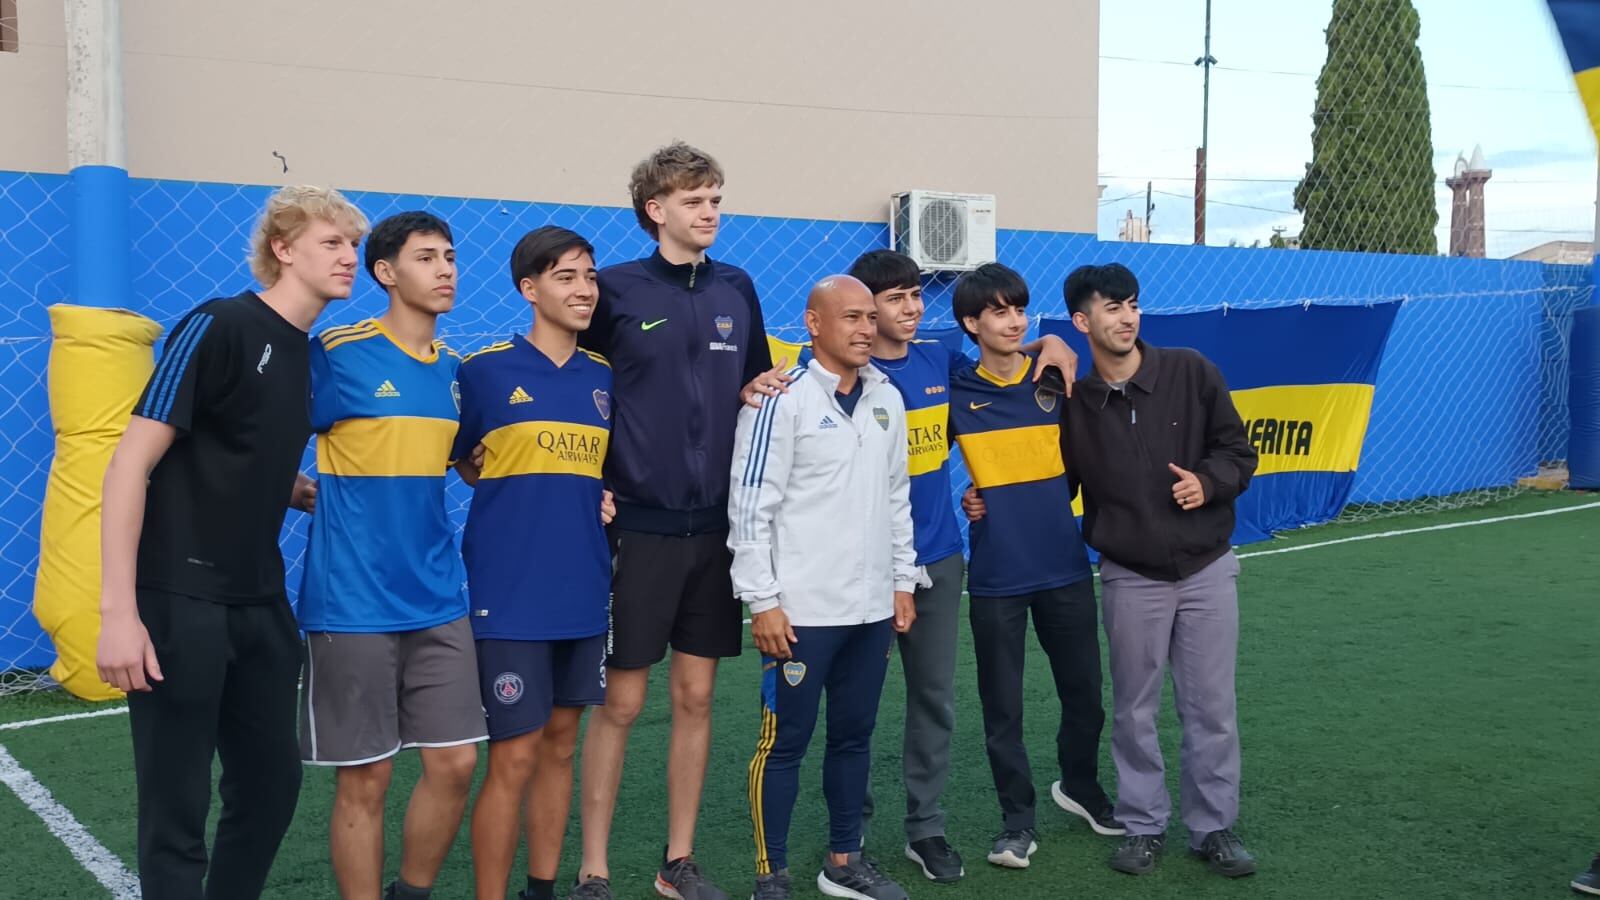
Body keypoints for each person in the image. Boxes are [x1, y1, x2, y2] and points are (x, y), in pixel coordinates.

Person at [96, 185, 366, 900]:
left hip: (259, 596)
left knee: (272, 783)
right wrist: (118, 613)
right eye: (332, 243)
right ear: (282, 249)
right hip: (178, 596)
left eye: (354, 245)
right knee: (176, 803)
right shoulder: (218, 325)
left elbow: (233, 439)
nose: (350, 258)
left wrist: (291, 487)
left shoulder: (311, 358)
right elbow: (131, 462)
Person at [574, 141, 783, 900]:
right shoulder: (617, 291)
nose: (711, 213)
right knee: (623, 702)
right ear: (655, 209)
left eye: (717, 200)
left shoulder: (738, 288)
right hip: (639, 524)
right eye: (696, 201)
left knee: (696, 698)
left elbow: (757, 384)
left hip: (717, 531)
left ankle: (678, 862)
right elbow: (579, 389)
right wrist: (592, 482)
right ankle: (593, 868)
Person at [840, 250, 1080, 883]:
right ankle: (849, 834)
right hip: (859, 567)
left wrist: (1055, 339)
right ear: (863, 308)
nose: (911, 307)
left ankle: (926, 829)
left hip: (939, 558)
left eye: (916, 294)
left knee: (934, 699)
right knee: (856, 703)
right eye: (894, 298)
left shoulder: (941, 361)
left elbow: (1014, 351)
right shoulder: (835, 372)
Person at [297, 211, 483, 900]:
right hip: (352, 598)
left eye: (451, 258)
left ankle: (411, 891)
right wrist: (299, 492)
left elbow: (478, 465)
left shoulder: (458, 374)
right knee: (367, 775)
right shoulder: (338, 352)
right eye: (427, 258)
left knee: (456, 763)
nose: (445, 271)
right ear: (386, 273)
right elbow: (257, 437)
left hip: (438, 595)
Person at [1060, 262, 1257, 877]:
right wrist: (982, 499)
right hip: (1130, 574)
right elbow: (1053, 480)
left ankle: (1213, 828)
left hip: (1207, 568)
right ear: (1081, 321)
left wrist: (1209, 482)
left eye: (1133, 306)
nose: (1127, 318)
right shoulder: (1074, 403)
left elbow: (1238, 452)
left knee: (1211, 707)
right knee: (1134, 708)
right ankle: (1142, 824)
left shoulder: (1191, 370)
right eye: (1112, 308)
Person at [729, 275, 918, 900]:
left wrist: (901, 581)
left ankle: (844, 862)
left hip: (869, 612)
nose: (866, 328)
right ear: (814, 325)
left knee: (854, 737)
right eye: (852, 317)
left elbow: (897, 499)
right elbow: (751, 506)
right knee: (783, 745)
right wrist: (764, 599)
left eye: (872, 317)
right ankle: (771, 875)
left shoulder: (887, 397)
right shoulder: (780, 400)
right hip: (801, 612)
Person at [451, 227, 614, 900]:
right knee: (513, 755)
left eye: (589, 276)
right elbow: (460, 459)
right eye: (566, 277)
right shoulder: (484, 370)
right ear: (530, 289)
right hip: (510, 592)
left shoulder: (603, 375)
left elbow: (601, 475)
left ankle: (540, 890)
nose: (583, 290)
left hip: (583, 587)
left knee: (560, 748)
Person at [947, 263, 1120, 871]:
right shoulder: (953, 388)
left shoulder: (1055, 378)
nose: (1015, 320)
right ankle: (1016, 823)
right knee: (1004, 708)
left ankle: (1081, 787)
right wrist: (969, 497)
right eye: (998, 311)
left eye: (1019, 309)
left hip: (1065, 568)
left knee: (1086, 695)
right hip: (996, 576)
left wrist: (1050, 341)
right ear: (971, 323)